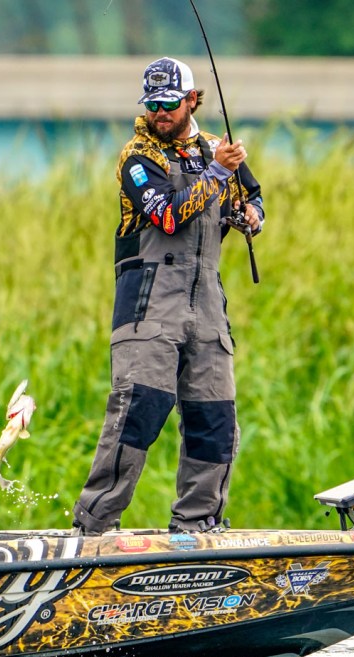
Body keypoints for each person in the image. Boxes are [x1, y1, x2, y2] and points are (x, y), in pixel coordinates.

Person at [72, 56, 264, 535]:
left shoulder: (218, 149)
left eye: (169, 103)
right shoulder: (137, 157)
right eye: (152, 104)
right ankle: (94, 526)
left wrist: (251, 216)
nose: (159, 112)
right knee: (138, 411)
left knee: (216, 420)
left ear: (192, 100)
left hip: (208, 304)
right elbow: (168, 217)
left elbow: (254, 197)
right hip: (149, 303)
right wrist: (216, 175)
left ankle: (197, 525)